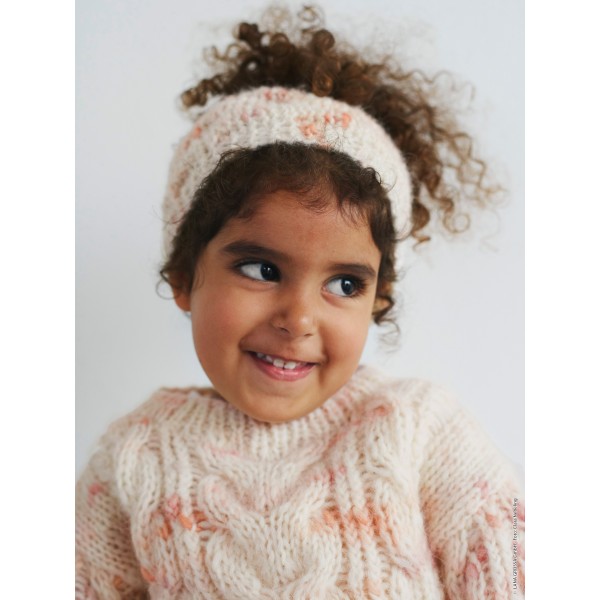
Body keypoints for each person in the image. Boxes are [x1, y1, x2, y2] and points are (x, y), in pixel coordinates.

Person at [76, 7, 524, 599]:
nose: (299, 319)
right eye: (262, 270)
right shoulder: (134, 456)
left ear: (379, 298)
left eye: (345, 285)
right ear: (185, 276)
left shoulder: (422, 431)